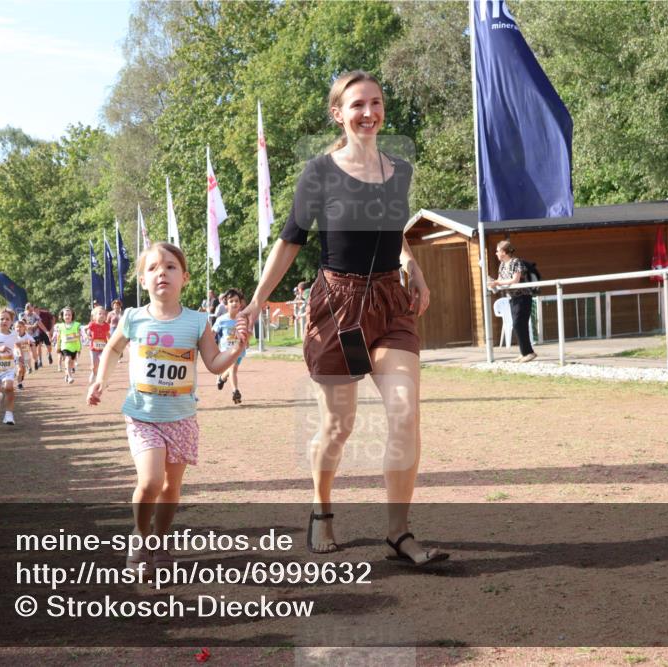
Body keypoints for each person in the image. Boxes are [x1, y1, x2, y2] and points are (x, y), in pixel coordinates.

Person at [237, 70, 447, 565]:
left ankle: (398, 533)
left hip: (390, 305)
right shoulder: (319, 172)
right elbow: (290, 240)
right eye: (357, 105)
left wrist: (413, 267)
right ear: (338, 113)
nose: (369, 112)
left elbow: (393, 230)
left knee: (405, 412)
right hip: (342, 311)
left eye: (376, 103)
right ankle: (321, 507)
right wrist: (257, 300)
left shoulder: (399, 170)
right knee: (339, 424)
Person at [87, 242, 247, 572]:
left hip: (181, 418)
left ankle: (159, 542)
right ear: (142, 280)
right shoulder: (133, 317)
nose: (162, 272)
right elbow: (113, 349)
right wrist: (101, 379)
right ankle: (140, 535)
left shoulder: (197, 321)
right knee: (150, 482)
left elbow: (214, 363)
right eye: (153, 268)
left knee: (171, 487)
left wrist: (235, 349)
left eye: (171, 267)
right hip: (143, 415)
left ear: (184, 278)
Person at [487, 240, 537, 362]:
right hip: (512, 298)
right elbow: (500, 280)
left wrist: (497, 282)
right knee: (517, 325)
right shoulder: (502, 265)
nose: (496, 253)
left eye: (498, 251)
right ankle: (525, 352)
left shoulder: (516, 262)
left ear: (504, 252)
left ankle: (528, 353)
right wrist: (493, 284)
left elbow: (515, 280)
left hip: (523, 297)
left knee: (519, 324)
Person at [212, 288, 247, 404]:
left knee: (232, 369)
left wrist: (247, 341)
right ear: (226, 305)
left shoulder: (243, 318)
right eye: (231, 301)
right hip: (227, 351)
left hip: (240, 350)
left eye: (236, 301)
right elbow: (213, 333)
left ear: (240, 303)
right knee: (232, 368)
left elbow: (247, 332)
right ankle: (235, 391)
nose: (234, 303)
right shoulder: (221, 320)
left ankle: (221, 378)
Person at [55, 306, 82, 384]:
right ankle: (70, 377)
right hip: (65, 346)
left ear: (72, 316)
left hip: (74, 347)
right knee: (67, 359)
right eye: (65, 315)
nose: (67, 316)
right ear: (62, 316)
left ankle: (67, 375)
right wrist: (58, 346)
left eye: (69, 315)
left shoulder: (77, 325)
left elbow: (79, 335)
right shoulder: (60, 326)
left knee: (72, 363)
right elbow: (58, 337)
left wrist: (75, 338)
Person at [86, 305, 111, 385]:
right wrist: (88, 336)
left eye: (104, 314)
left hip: (103, 348)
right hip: (94, 349)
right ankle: (94, 374)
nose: (102, 315)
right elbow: (86, 330)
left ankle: (102, 379)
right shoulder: (92, 324)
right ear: (95, 316)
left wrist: (110, 342)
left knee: (103, 363)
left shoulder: (106, 325)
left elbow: (108, 335)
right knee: (94, 366)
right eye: (100, 314)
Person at [18, 303, 43, 369]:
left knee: (35, 350)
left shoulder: (34, 314)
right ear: (28, 308)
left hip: (35, 335)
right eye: (32, 307)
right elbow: (22, 324)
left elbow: (39, 320)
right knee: (26, 351)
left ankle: (37, 361)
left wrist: (35, 325)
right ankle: (29, 367)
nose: (33, 308)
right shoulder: (22, 315)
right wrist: (30, 326)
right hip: (26, 335)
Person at [14, 319, 36, 391]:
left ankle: (21, 377)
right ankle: (19, 384)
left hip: (26, 356)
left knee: (23, 370)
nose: (18, 328)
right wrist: (25, 342)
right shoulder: (14, 336)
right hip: (17, 355)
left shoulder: (27, 336)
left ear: (24, 328)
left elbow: (33, 343)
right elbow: (15, 344)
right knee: (20, 369)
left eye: (20, 327)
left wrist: (30, 343)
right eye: (17, 327)